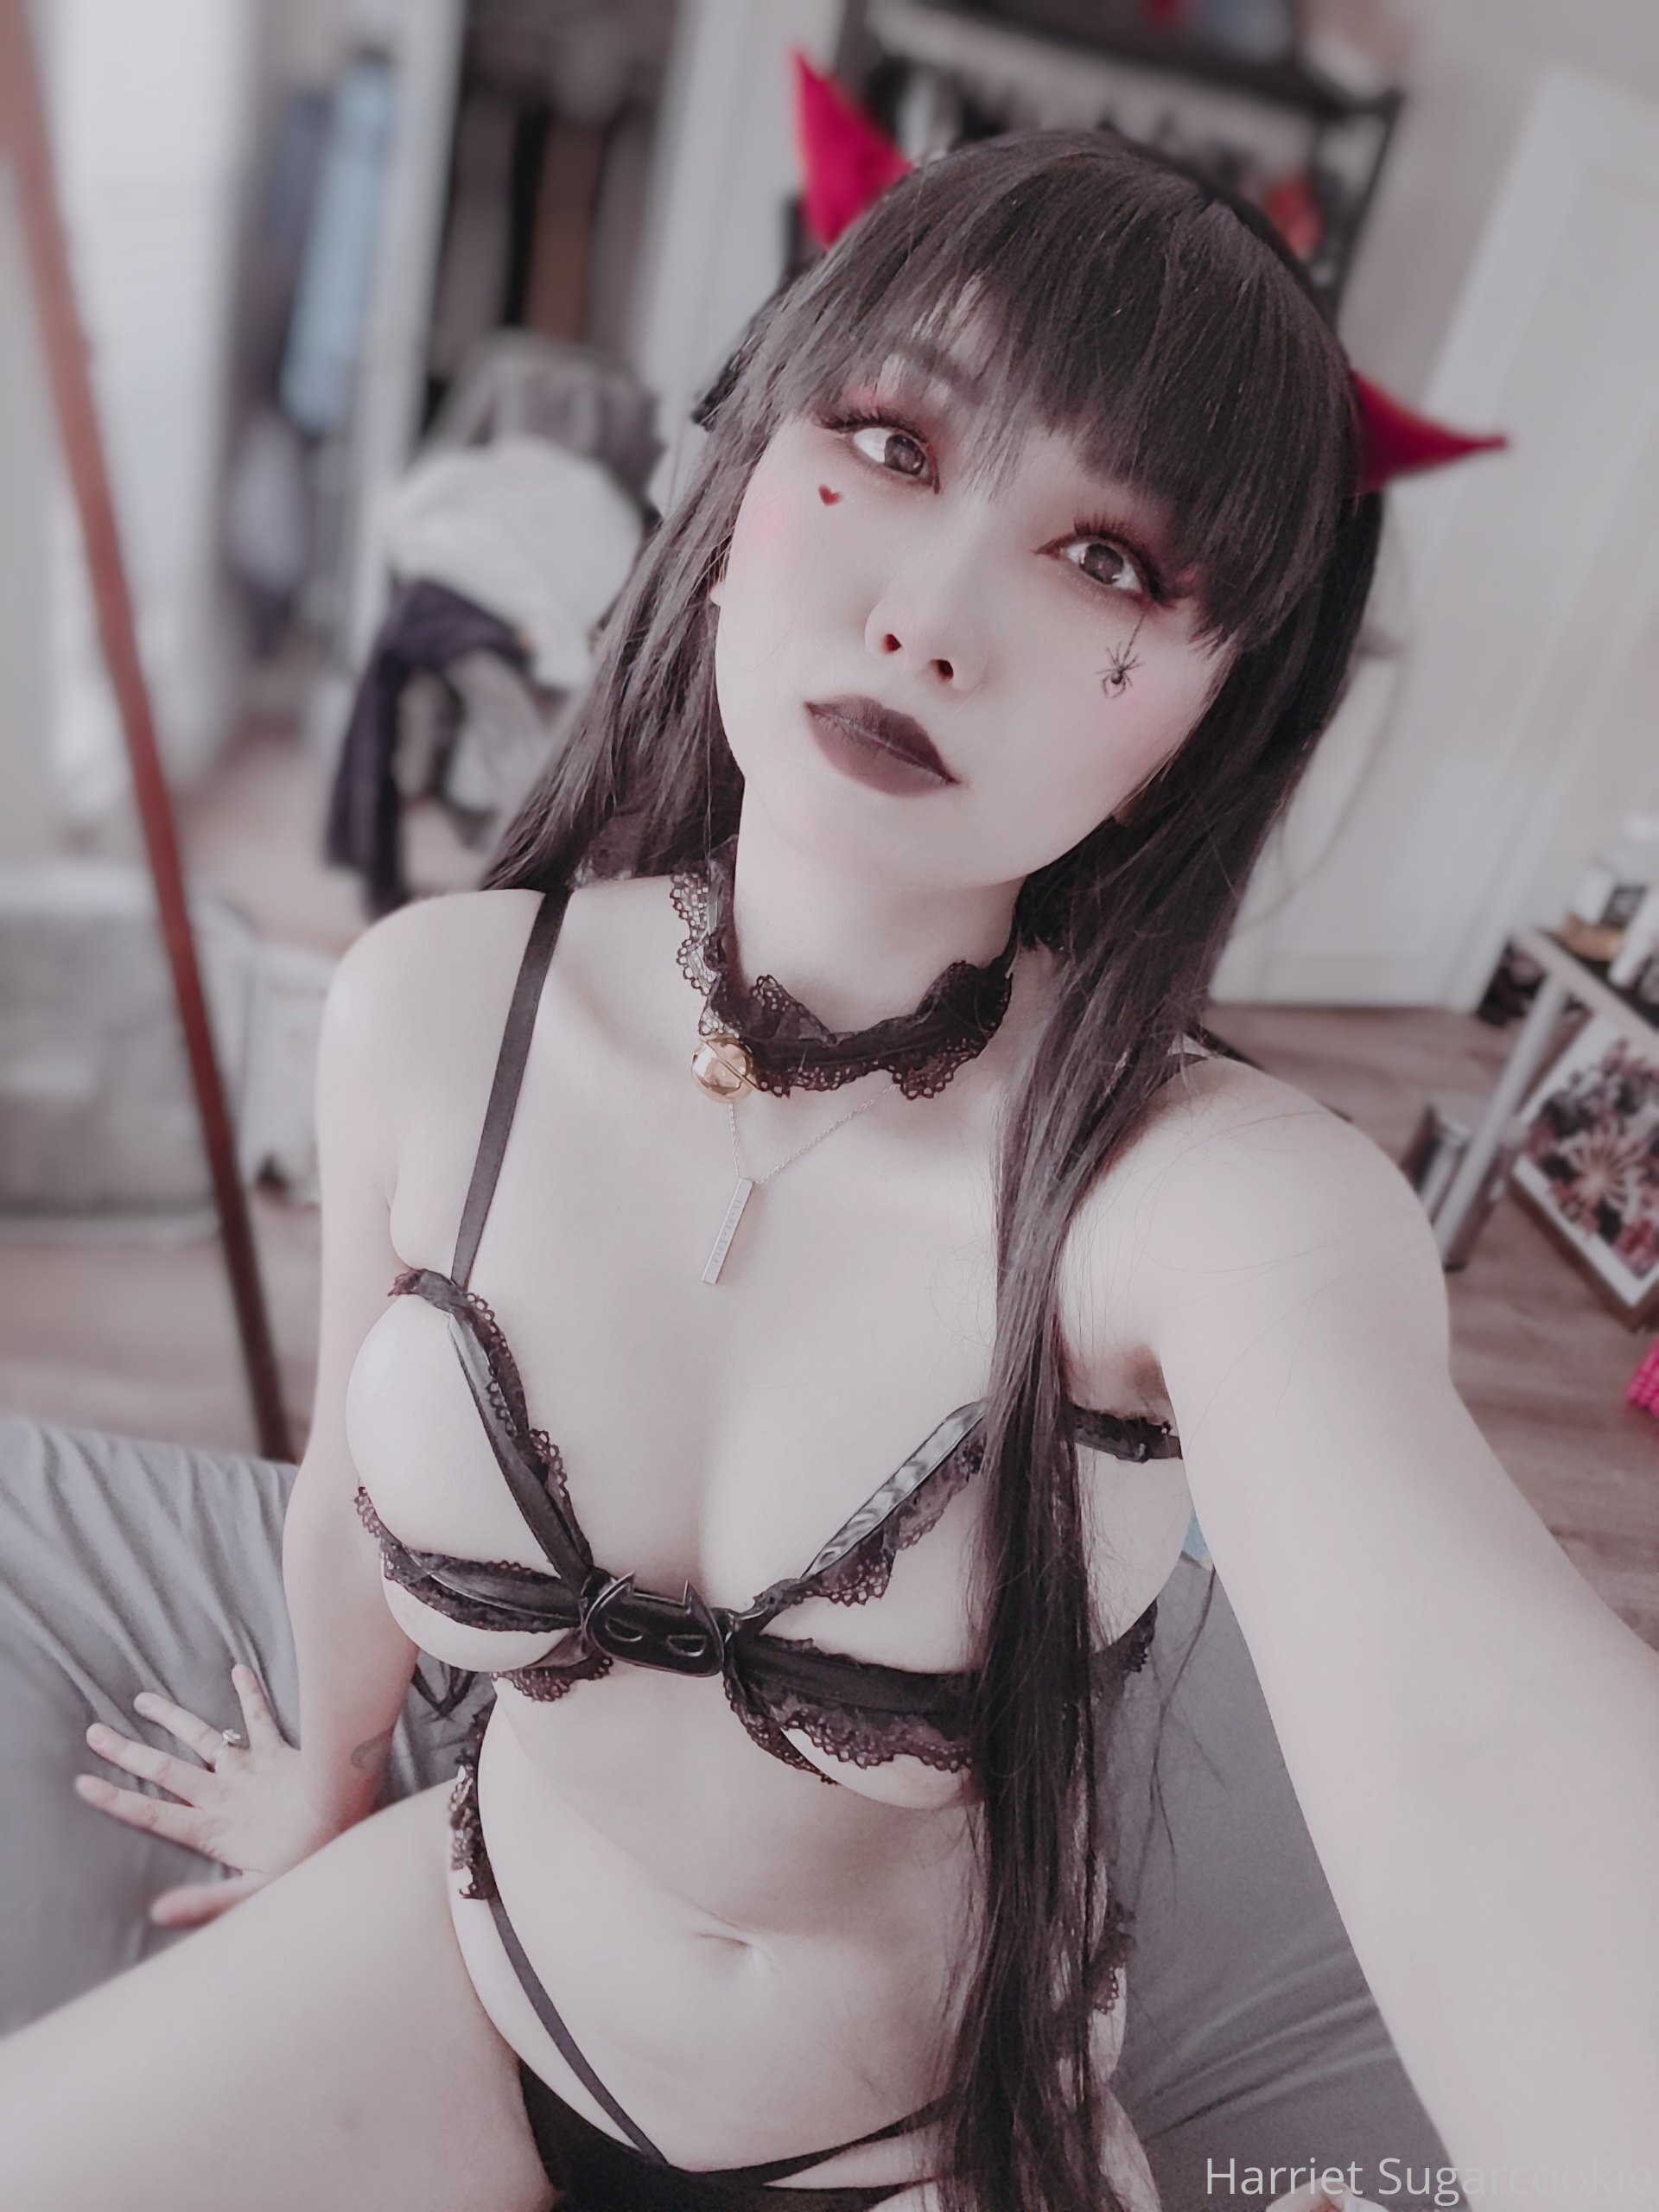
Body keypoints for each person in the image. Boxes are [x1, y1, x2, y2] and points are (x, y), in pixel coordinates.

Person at [3, 131, 1656, 2212]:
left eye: (1110, 560)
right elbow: (349, 1473)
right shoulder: (431, 1008)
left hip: (925, 2129)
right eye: (890, 443)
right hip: (482, 1964)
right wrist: (328, 1789)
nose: (928, 615)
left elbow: (1476, 1728)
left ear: (1211, 715)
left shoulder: (1207, 1200)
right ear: (738, 481)